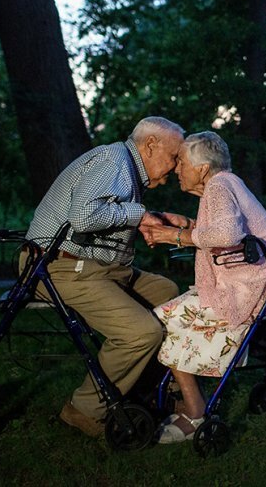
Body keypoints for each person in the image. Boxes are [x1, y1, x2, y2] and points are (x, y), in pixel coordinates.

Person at [24, 116, 190, 438]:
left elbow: (104, 215)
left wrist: (152, 219)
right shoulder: (114, 160)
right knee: (142, 332)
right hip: (57, 267)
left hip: (98, 268)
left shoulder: (126, 169)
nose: (174, 167)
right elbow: (84, 216)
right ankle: (85, 409)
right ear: (151, 145)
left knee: (168, 293)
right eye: (173, 157)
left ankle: (145, 389)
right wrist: (138, 213)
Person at [141, 131, 266, 443]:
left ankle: (195, 411)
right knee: (168, 316)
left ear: (201, 168)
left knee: (161, 320)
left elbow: (226, 235)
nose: (175, 169)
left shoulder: (219, 185)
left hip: (255, 295)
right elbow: (220, 228)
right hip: (260, 289)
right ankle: (188, 400)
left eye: (181, 162)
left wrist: (175, 237)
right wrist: (182, 225)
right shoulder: (225, 183)